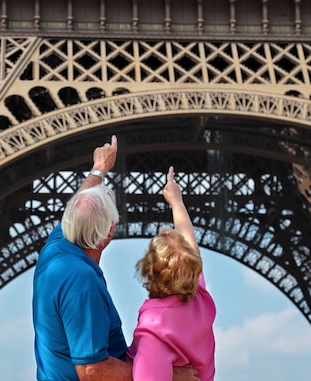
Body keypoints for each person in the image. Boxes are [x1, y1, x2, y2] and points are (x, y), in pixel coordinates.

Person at [32, 136, 201, 381]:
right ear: (109, 233)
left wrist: (99, 170)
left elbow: (78, 206)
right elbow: (92, 371)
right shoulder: (82, 284)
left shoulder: (55, 251)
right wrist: (168, 376)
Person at [127, 166, 216, 380]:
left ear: (149, 269)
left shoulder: (155, 328)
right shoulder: (199, 298)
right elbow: (189, 244)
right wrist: (177, 202)